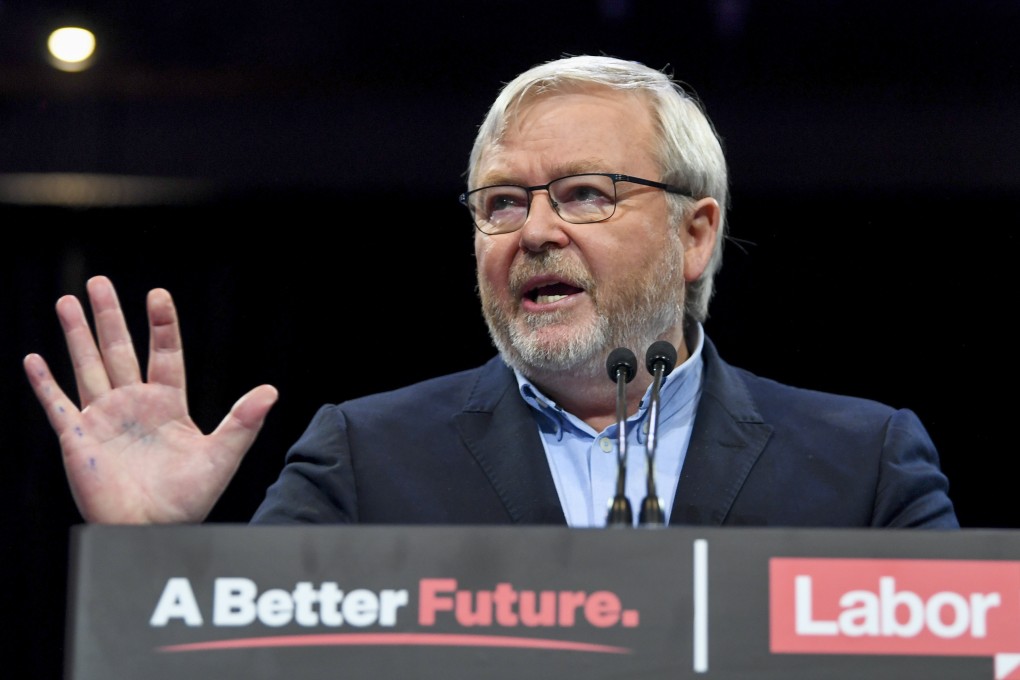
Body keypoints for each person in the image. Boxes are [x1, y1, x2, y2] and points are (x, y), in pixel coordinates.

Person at [23, 54, 958, 528]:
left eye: (586, 193)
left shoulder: (865, 464)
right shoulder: (362, 460)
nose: (537, 231)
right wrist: (152, 558)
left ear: (695, 234)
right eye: (503, 203)